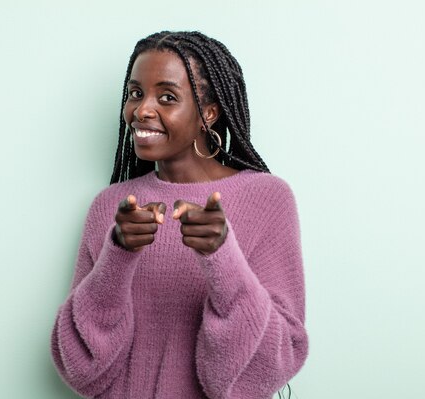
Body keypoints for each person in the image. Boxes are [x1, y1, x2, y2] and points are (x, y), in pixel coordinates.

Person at [50, 31, 308, 399]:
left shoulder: (268, 199)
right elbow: (81, 367)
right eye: (135, 93)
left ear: (208, 113)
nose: (141, 110)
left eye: (166, 97)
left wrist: (223, 257)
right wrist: (117, 256)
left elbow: (275, 362)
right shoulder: (111, 207)